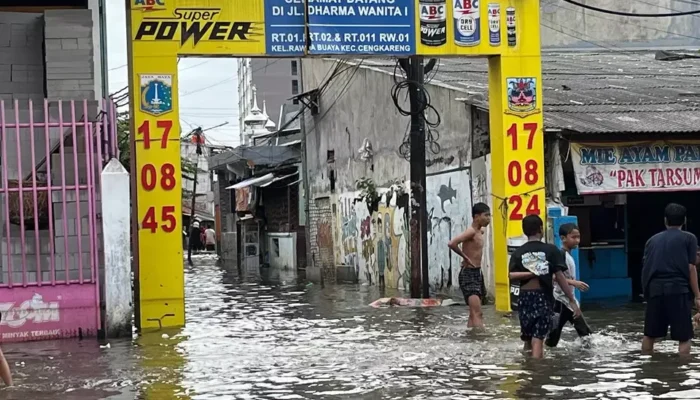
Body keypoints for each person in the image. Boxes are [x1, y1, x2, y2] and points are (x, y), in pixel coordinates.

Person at [509, 214, 580, 359]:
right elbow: (560, 277)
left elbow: (511, 276)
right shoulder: (551, 250)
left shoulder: (518, 252)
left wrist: (529, 273)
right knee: (538, 338)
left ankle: (527, 369)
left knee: (527, 338)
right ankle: (538, 373)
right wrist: (572, 300)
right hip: (542, 296)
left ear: (524, 231)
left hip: (524, 298)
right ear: (541, 229)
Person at [641, 203, 700, 355]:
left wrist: (646, 292)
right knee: (684, 337)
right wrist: (698, 296)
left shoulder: (652, 240)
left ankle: (647, 366)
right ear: (684, 220)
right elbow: (691, 267)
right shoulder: (689, 238)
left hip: (655, 289)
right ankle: (682, 370)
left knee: (649, 335)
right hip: (678, 289)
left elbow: (645, 268)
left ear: (665, 220)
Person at [545, 223, 593, 348]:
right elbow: (554, 276)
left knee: (586, 335)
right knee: (552, 339)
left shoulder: (569, 255)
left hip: (569, 301)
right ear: (563, 238)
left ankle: (587, 358)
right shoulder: (561, 255)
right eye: (573, 237)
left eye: (578, 237)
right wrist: (574, 282)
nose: (577, 240)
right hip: (560, 301)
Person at [448, 202, 491, 329]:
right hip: (468, 274)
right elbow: (452, 243)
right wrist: (465, 257)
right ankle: (480, 340)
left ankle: (471, 339)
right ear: (476, 217)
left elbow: (480, 231)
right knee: (478, 313)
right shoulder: (471, 232)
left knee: (474, 313)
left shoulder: (479, 231)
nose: (488, 219)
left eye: (489, 216)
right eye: (486, 215)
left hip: (477, 273)